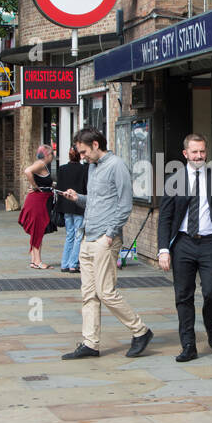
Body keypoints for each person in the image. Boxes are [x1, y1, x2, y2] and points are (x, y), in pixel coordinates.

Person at [60, 127, 152, 359]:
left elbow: (124, 203)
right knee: (88, 294)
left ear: (95, 145)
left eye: (83, 152)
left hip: (105, 239)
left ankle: (140, 330)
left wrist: (110, 234)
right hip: (87, 236)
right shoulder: (92, 167)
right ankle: (90, 343)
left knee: (106, 292)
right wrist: (77, 198)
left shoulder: (117, 166)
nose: (82, 157)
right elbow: (97, 201)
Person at [157, 132, 212, 361]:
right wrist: (163, 250)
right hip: (183, 244)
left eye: (202, 151)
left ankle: (210, 324)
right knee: (183, 296)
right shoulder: (173, 180)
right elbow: (165, 218)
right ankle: (188, 344)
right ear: (185, 153)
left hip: (210, 243)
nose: (199, 155)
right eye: (194, 152)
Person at [19, 145, 54, 269]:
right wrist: (34, 185)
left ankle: (34, 260)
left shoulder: (41, 164)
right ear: (47, 155)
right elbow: (27, 171)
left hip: (39, 200)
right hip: (38, 202)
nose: (53, 157)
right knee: (38, 229)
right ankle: (38, 261)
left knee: (36, 230)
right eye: (52, 154)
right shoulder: (40, 164)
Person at [57, 140, 88, 273]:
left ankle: (64, 263)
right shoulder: (84, 169)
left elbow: (59, 188)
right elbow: (86, 188)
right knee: (78, 235)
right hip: (79, 206)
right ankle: (73, 263)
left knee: (70, 234)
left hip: (66, 206)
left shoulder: (62, 169)